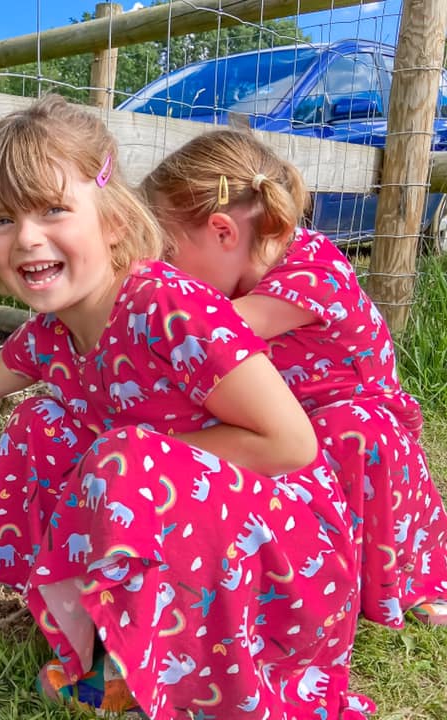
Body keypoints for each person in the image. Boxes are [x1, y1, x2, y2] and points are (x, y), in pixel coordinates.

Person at [0, 96, 366, 719]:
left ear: (112, 220)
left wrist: (135, 459)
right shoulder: (52, 334)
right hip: (184, 516)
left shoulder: (169, 309)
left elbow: (292, 445)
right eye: (2, 220)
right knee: (42, 425)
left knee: (115, 456)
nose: (26, 237)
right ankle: (87, 637)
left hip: (282, 556)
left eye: (54, 209)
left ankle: (129, 669)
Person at [140, 128, 447, 630]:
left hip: (364, 431)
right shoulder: (256, 270)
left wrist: (131, 316)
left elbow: (211, 333)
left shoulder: (308, 270)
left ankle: (408, 581)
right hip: (302, 424)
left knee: (348, 433)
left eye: (168, 254)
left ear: (222, 232)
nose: (165, 272)